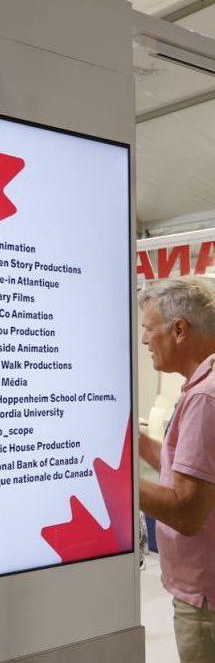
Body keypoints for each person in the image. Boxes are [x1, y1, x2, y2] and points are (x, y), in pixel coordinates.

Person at [138, 276, 215, 661]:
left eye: (148, 329)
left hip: (206, 603)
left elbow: (187, 511)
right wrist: (132, 446)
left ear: (179, 329)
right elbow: (189, 469)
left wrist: (109, 479)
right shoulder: (203, 388)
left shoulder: (204, 397)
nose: (144, 340)